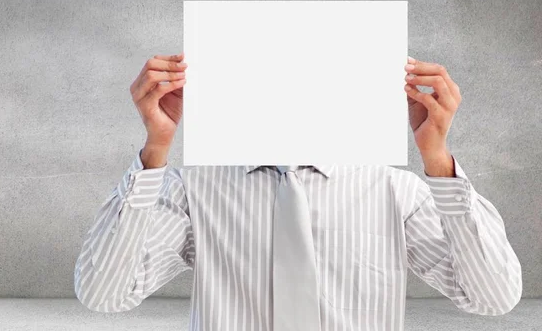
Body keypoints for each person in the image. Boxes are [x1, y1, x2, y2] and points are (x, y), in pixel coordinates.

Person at [73, 52, 522, 331]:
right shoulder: (194, 189)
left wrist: (438, 161)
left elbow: (493, 297)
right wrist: (155, 149)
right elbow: (104, 295)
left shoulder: (394, 190)